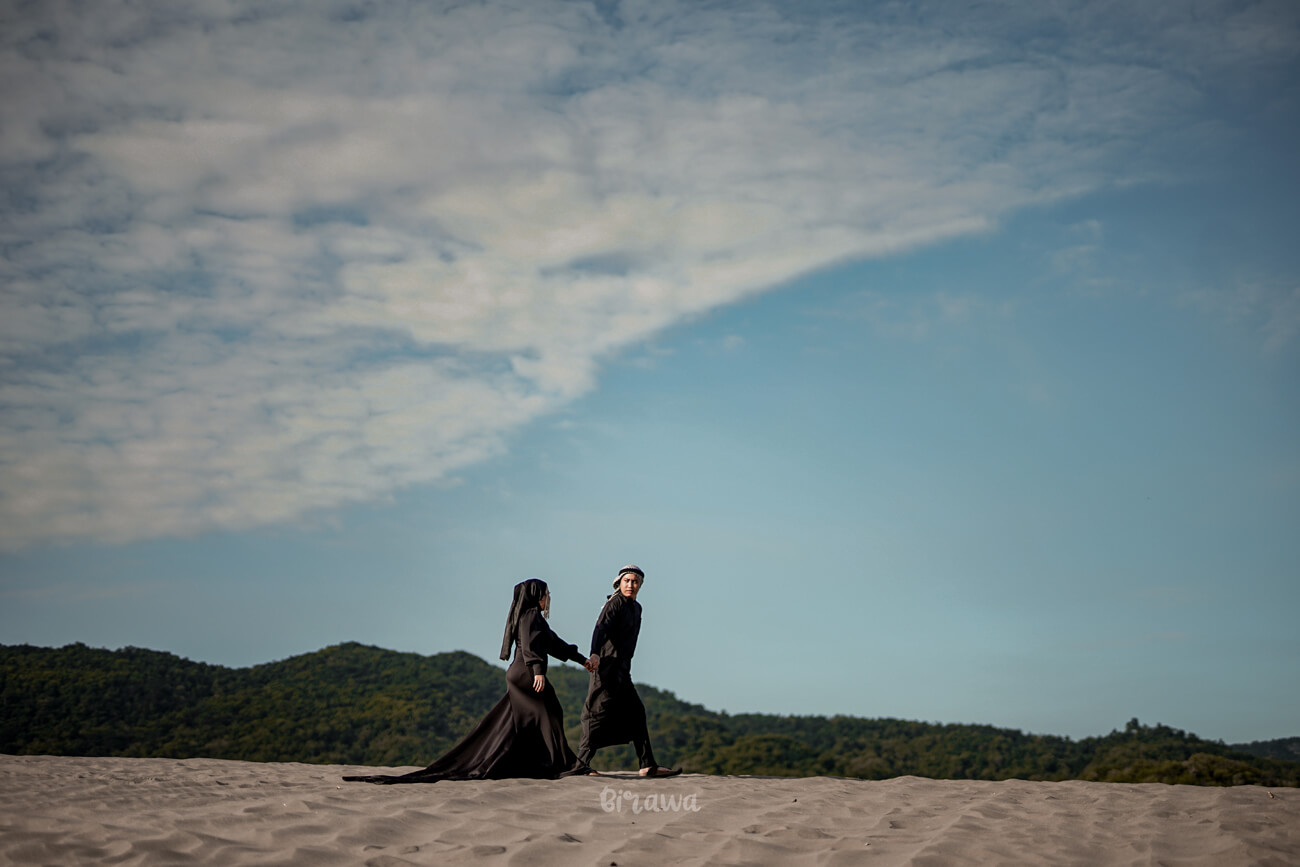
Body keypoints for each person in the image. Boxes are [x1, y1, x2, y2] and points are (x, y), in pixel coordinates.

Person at [344, 579, 593, 783]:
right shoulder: (530, 616)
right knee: (549, 713)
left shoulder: (531, 616)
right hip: (526, 673)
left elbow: (555, 644)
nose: (548, 598)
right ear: (537, 595)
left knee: (516, 721)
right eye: (546, 593)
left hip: (520, 673)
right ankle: (566, 765)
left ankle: (532, 764)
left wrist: (582, 660)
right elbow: (530, 646)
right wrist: (538, 670)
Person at [578, 564, 680, 777]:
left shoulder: (636, 608)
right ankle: (580, 764)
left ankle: (647, 765)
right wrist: (594, 653)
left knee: (636, 712)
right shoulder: (614, 603)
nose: (631, 585)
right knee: (596, 713)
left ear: (640, 585)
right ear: (619, 582)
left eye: (635, 582)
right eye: (627, 581)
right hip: (606, 668)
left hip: (623, 670)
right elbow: (600, 628)